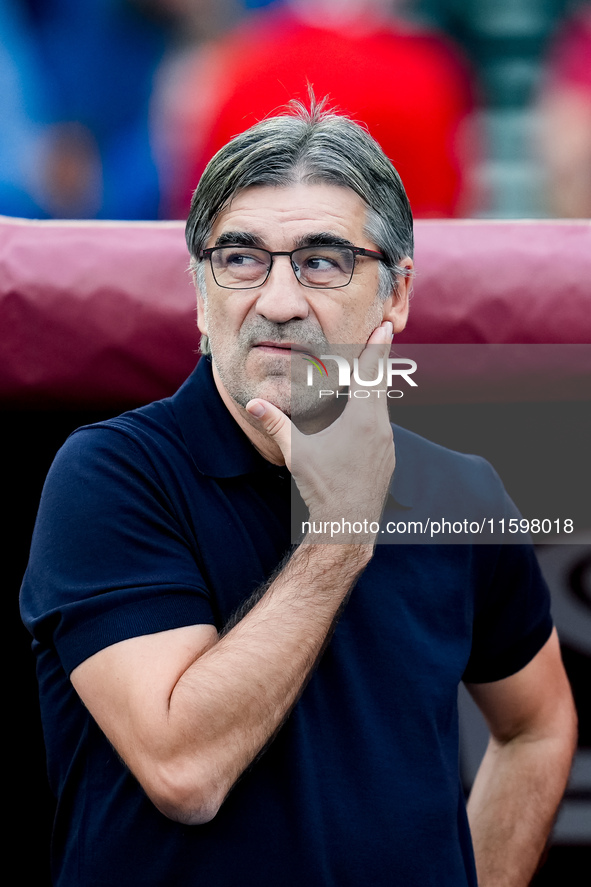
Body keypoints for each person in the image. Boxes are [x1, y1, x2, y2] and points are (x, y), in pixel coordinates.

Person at [20, 99, 576, 887]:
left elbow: (537, 726)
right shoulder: (109, 475)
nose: (277, 300)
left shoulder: (461, 488)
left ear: (396, 294)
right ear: (199, 292)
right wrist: (340, 533)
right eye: (241, 258)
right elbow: (185, 771)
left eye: (322, 261)